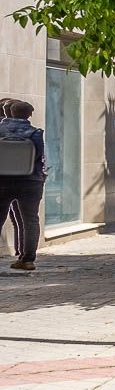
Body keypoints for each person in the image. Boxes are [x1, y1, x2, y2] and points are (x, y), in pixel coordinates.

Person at [0, 98, 46, 271]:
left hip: (2, 180)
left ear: (10, 112)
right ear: (29, 114)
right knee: (30, 220)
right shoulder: (36, 133)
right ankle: (27, 260)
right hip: (30, 181)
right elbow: (39, 157)